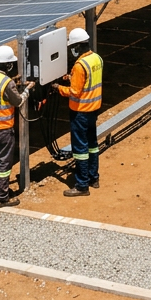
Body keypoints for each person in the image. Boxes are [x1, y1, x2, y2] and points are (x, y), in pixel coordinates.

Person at [0, 45, 33, 208]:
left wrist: (13, 84)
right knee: (3, 164)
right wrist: (27, 90)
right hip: (2, 129)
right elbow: (18, 101)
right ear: (8, 65)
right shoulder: (7, 83)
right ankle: (1, 197)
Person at [56, 27, 102, 197]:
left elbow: (74, 92)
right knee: (92, 145)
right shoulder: (97, 59)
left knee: (80, 149)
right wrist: (71, 77)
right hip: (94, 110)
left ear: (78, 46)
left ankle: (82, 185)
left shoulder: (80, 65)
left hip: (80, 112)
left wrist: (58, 87)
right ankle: (93, 177)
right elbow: (88, 81)